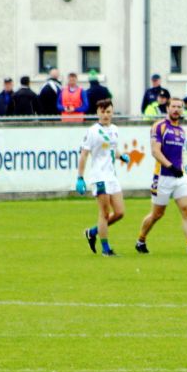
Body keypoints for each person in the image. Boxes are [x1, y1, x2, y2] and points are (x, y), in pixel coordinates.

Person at [135, 96, 187, 255]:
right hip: (163, 176)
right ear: (167, 108)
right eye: (173, 106)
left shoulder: (181, 130)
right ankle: (140, 240)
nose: (176, 109)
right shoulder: (159, 126)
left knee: (186, 209)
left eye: (179, 107)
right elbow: (155, 151)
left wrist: (179, 169)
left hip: (180, 176)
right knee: (157, 214)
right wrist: (170, 167)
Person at [76, 99, 130, 256]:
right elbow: (84, 154)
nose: (105, 115)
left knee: (120, 212)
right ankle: (106, 249)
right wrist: (80, 177)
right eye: (102, 111)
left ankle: (93, 232)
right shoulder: (92, 131)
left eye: (108, 112)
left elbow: (112, 149)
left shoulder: (114, 129)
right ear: (97, 113)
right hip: (99, 176)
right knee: (104, 213)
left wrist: (122, 156)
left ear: (112, 113)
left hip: (112, 176)